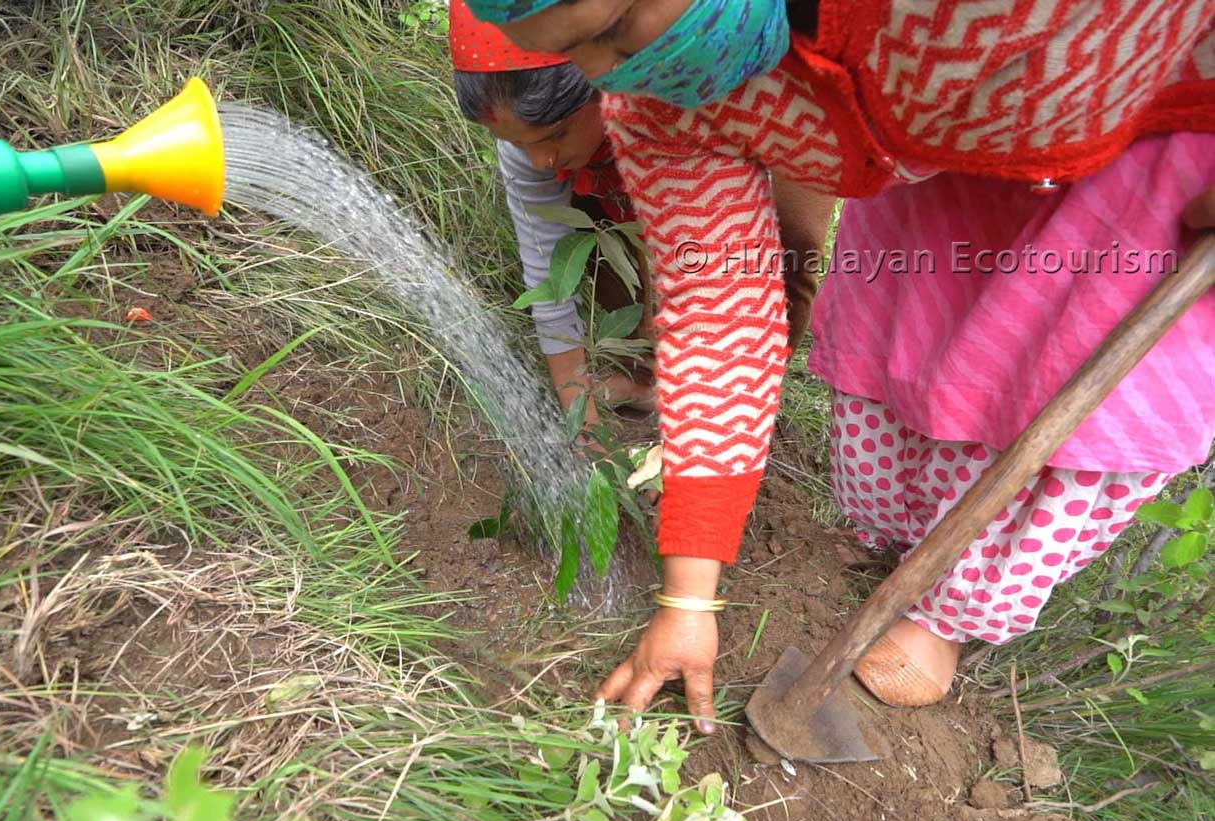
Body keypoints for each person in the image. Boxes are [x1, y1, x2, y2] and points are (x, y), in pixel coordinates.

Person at [463, 0, 1215, 730]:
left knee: (1084, 382)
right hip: (939, 178)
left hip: (1146, 151)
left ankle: (947, 616)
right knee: (920, 346)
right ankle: (898, 545)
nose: (603, 74)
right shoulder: (657, 102)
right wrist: (688, 604)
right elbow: (718, 315)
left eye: (614, 29)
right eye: (574, 53)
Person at [448, 0, 829, 428]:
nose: (540, 160)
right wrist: (584, 427)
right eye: (518, 144)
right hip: (630, 128)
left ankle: (746, 404)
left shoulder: (687, 85)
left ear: (601, 79)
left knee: (790, 247)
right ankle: (643, 379)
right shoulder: (539, 140)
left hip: (778, 85)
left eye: (555, 135)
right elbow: (550, 277)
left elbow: (715, 279)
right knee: (598, 228)